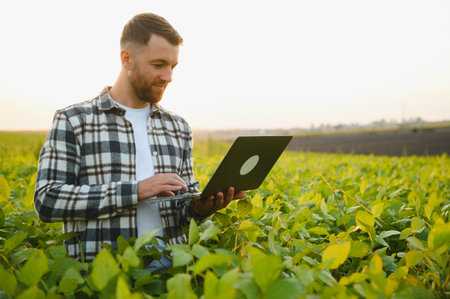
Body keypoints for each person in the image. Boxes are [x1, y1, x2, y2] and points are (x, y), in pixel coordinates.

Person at [34, 13, 246, 264]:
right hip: (103, 279)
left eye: (172, 66)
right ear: (127, 59)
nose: (168, 76)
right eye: (158, 65)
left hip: (171, 275)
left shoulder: (178, 127)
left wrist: (200, 209)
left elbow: (181, 212)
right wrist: (136, 190)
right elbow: (47, 200)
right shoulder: (74, 120)